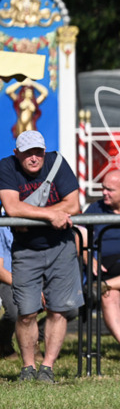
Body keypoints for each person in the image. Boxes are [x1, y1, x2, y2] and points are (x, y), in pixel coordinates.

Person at [0, 130, 84, 384]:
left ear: (45, 151)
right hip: (26, 249)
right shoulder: (6, 167)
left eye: (38, 152)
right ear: (17, 154)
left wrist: (29, 216)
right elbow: (11, 207)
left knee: (59, 309)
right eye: (28, 153)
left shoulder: (57, 162)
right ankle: (28, 367)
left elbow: (74, 205)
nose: (34, 157)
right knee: (26, 312)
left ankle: (47, 367)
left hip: (61, 246)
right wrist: (50, 215)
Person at [82, 169, 120, 364]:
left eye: (110, 190)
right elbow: (80, 233)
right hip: (106, 267)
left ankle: (104, 285)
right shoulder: (95, 208)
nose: (104, 193)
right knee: (108, 298)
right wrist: (88, 257)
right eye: (103, 188)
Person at [0, 224, 16, 358]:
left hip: (32, 276)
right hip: (8, 278)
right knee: (14, 312)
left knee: (69, 309)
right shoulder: (2, 227)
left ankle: (37, 337)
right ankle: (4, 341)